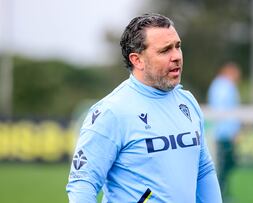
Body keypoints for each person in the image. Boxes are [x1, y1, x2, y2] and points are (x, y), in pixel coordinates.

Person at [66, 13, 222, 203]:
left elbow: (203, 168)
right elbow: (83, 183)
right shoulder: (112, 111)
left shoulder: (187, 101)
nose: (176, 57)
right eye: (165, 50)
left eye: (177, 46)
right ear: (137, 60)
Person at [207, 62, 241, 197]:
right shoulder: (224, 86)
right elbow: (223, 112)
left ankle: (222, 192)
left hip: (221, 133)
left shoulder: (219, 86)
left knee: (227, 165)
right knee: (223, 166)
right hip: (223, 135)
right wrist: (233, 131)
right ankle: (219, 194)